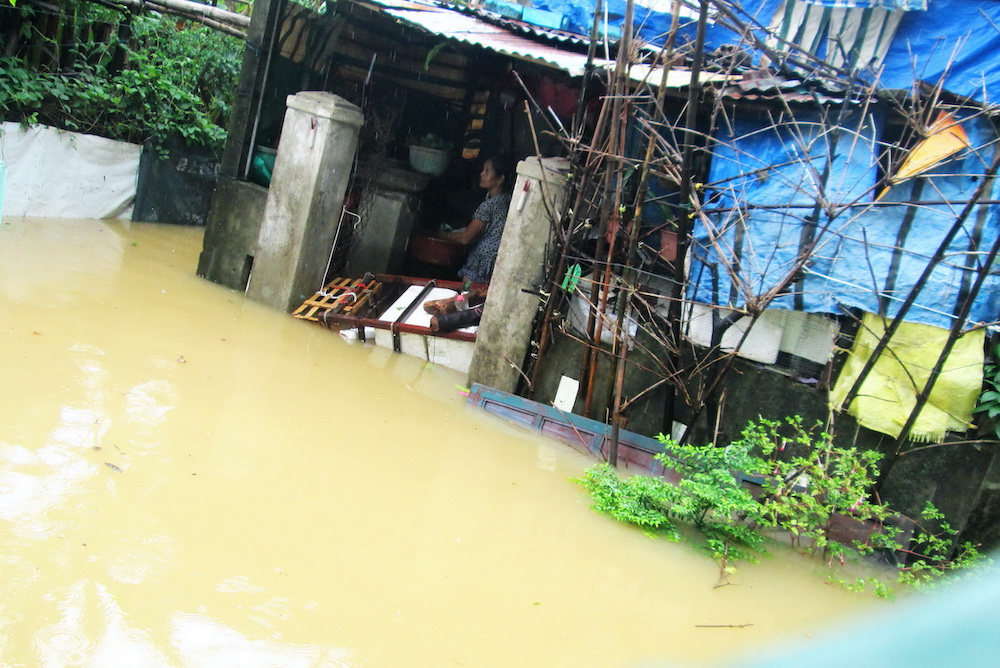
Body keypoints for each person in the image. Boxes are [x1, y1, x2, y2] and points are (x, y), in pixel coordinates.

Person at [439, 155, 514, 284]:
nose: (482, 174)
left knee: (467, 300)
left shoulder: (488, 205)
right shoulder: (507, 200)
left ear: (500, 179)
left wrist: (445, 235)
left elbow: (465, 238)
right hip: (495, 262)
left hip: (480, 264)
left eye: (487, 171)